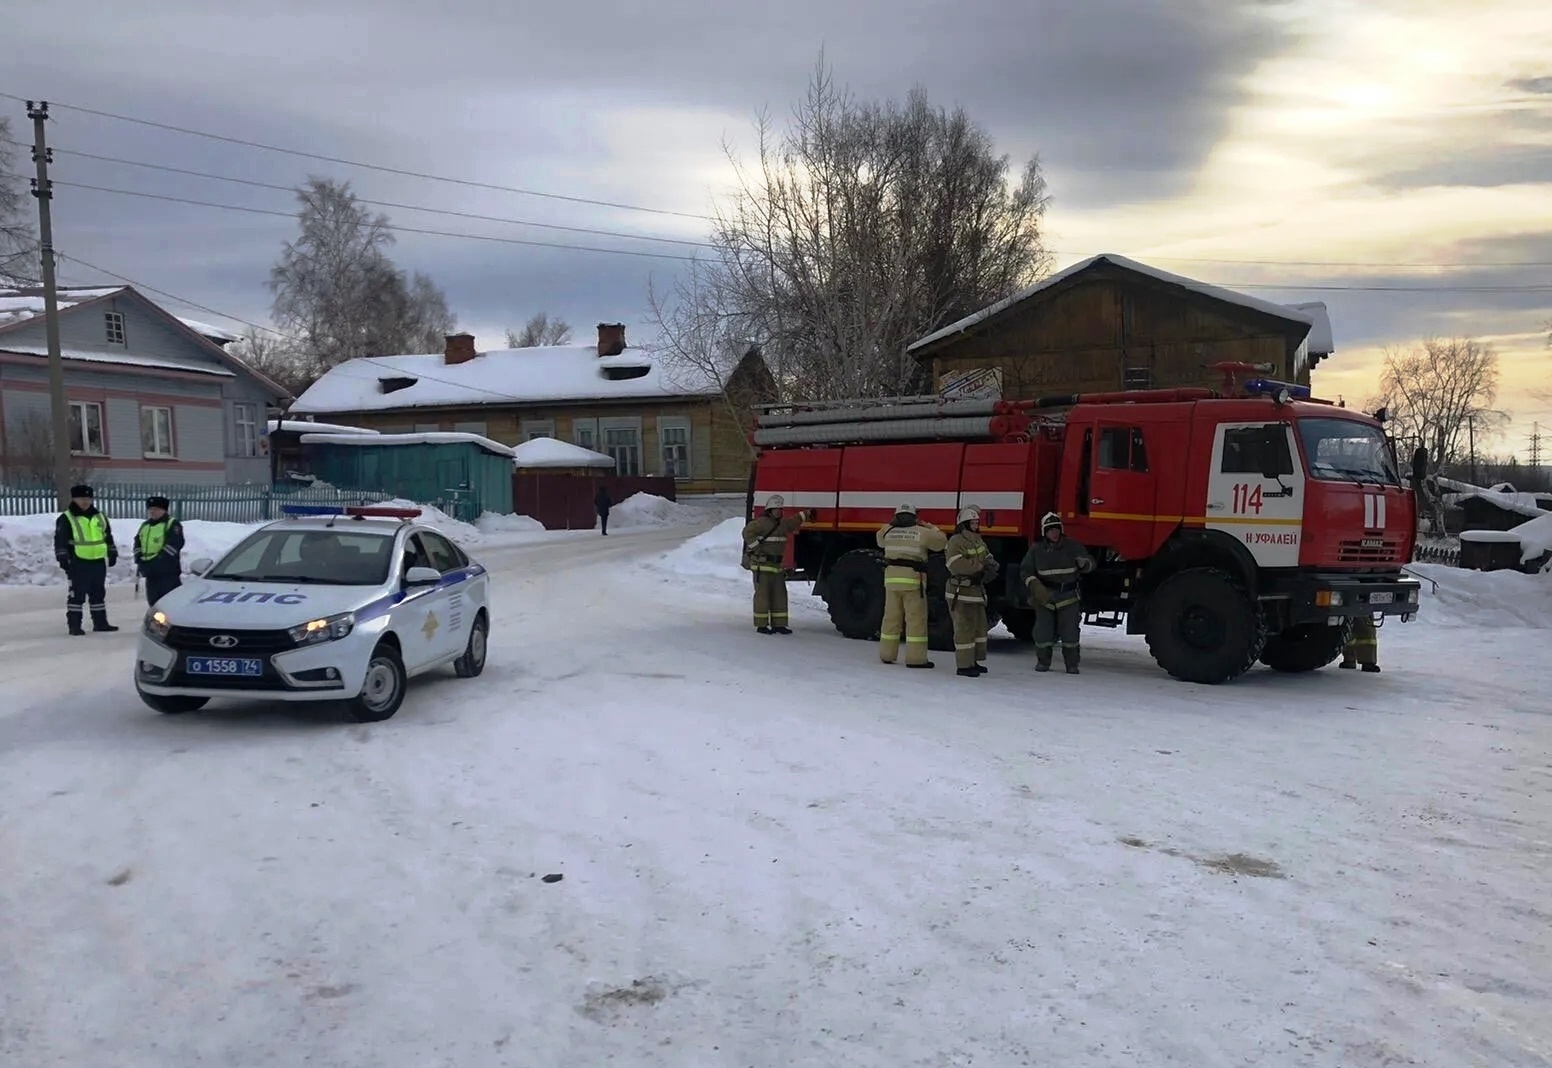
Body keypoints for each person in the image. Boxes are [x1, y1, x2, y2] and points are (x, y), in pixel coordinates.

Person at [1019, 511, 1094, 673]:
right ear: (1045, 532)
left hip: (1068, 597)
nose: (1054, 533)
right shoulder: (1036, 550)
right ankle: (1043, 662)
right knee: (1042, 632)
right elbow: (1025, 571)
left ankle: (1072, 664)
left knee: (1070, 634)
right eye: (1050, 530)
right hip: (1045, 597)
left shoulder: (1072, 546)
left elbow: (1090, 563)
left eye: (1056, 529)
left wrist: (1085, 564)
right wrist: (1035, 586)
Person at [876, 502, 947, 668]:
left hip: (892, 581)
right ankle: (916, 659)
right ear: (915, 516)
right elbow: (941, 543)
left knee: (890, 619)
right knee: (915, 620)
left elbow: (879, 539)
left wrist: (891, 524)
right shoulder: (922, 532)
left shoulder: (887, 531)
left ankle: (887, 654)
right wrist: (932, 528)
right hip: (913, 582)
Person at [53, 483, 119, 635]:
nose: (85, 501)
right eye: (81, 498)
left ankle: (100, 623)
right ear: (74, 499)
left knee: (98, 594)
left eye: (88, 498)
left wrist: (112, 552)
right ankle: (75, 625)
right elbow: (60, 540)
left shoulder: (100, 516)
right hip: (78, 561)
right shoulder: (66, 518)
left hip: (97, 561)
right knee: (77, 595)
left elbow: (107, 536)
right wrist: (63, 558)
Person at [741, 495, 812, 634]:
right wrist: (756, 547)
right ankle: (761, 625)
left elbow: (794, 522)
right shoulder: (760, 523)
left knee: (780, 596)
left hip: (776, 567)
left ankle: (779, 625)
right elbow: (747, 532)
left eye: (780, 510)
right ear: (769, 510)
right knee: (763, 597)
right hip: (762, 566)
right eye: (776, 510)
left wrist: (806, 514)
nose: (779, 512)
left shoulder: (783, 524)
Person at [944, 505, 999, 678]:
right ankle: (964, 665)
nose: (976, 525)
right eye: (973, 522)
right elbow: (956, 564)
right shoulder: (956, 541)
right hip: (961, 592)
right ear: (964, 524)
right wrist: (980, 568)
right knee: (964, 629)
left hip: (975, 592)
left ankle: (973, 660)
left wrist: (991, 565)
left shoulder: (978, 540)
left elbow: (987, 555)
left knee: (978, 628)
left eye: (977, 522)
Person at [134, 494, 186, 606]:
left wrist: (157, 561)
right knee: (154, 603)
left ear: (164, 510)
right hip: (151, 573)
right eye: (150, 509)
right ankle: (156, 623)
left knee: (170, 603)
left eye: (156, 509)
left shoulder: (172, 524)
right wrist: (139, 558)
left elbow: (174, 545)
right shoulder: (145, 525)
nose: (152, 512)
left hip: (168, 572)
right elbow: (138, 542)